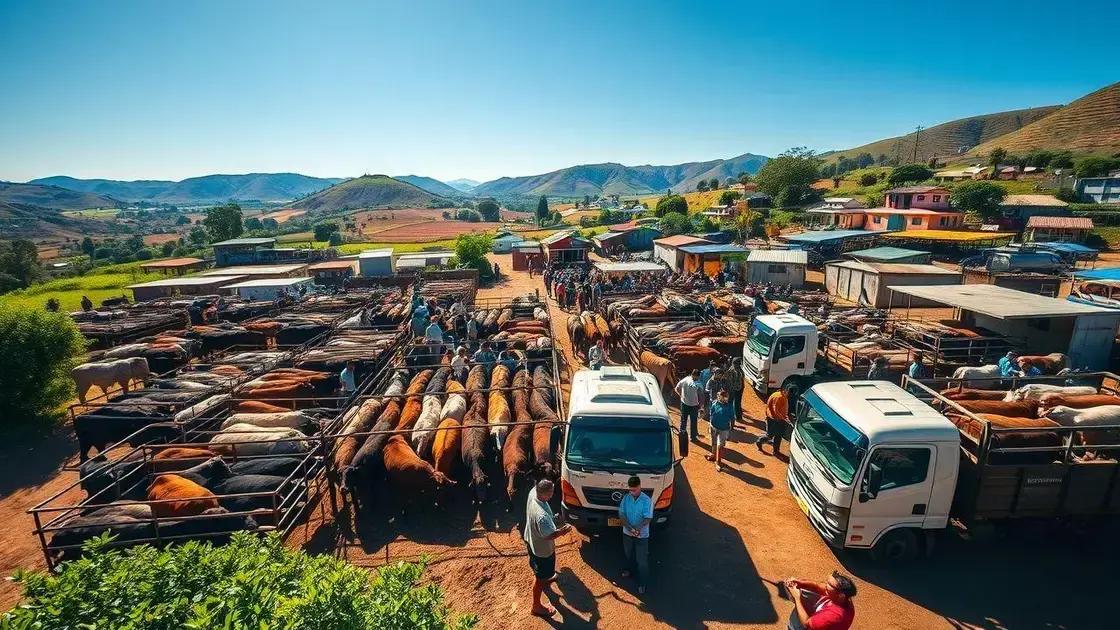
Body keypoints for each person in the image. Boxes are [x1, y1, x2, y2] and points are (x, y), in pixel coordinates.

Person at [523, 479, 572, 618]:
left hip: (531, 540)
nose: (552, 495)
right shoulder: (542, 517)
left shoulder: (533, 492)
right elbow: (549, 536)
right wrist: (563, 531)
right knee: (540, 579)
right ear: (545, 494)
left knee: (537, 567)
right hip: (542, 550)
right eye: (551, 493)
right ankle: (536, 606)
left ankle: (544, 576)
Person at [783, 571, 857, 630]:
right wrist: (801, 583)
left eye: (830, 585)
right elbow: (818, 586)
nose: (826, 586)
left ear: (841, 595)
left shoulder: (833, 616)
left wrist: (797, 598)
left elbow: (806, 625)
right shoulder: (844, 598)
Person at [618, 475, 652, 594]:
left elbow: (647, 518)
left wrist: (637, 529)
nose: (632, 492)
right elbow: (622, 515)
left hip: (642, 535)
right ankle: (628, 570)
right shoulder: (626, 498)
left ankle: (642, 583)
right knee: (628, 553)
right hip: (627, 533)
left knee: (641, 560)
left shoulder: (646, 500)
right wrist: (629, 528)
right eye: (630, 490)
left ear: (640, 487)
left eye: (634, 490)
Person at [758, 385, 795, 456]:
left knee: (777, 435)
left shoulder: (779, 394)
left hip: (775, 418)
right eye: (789, 394)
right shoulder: (780, 397)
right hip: (775, 419)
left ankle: (775, 450)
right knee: (773, 435)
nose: (790, 396)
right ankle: (760, 441)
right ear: (787, 391)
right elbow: (776, 410)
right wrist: (785, 419)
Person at [674, 369, 703, 452]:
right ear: (697, 376)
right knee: (693, 421)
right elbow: (701, 396)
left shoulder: (685, 380)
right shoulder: (698, 384)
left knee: (683, 420)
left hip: (684, 404)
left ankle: (682, 434)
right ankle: (693, 437)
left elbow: (677, 388)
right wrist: (701, 406)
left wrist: (681, 396)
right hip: (693, 406)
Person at [707, 389, 734, 472]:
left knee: (720, 446)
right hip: (713, 426)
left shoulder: (729, 407)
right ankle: (713, 455)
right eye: (723, 396)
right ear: (719, 397)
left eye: (726, 397)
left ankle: (718, 462)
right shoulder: (715, 403)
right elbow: (711, 414)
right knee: (714, 443)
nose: (725, 398)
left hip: (724, 429)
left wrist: (731, 429)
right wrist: (709, 425)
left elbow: (732, 418)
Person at [726, 358, 745, 427]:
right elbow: (730, 381)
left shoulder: (736, 369)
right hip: (735, 389)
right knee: (734, 402)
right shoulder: (733, 371)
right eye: (738, 363)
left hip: (738, 388)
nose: (739, 365)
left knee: (737, 402)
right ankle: (735, 417)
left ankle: (737, 416)